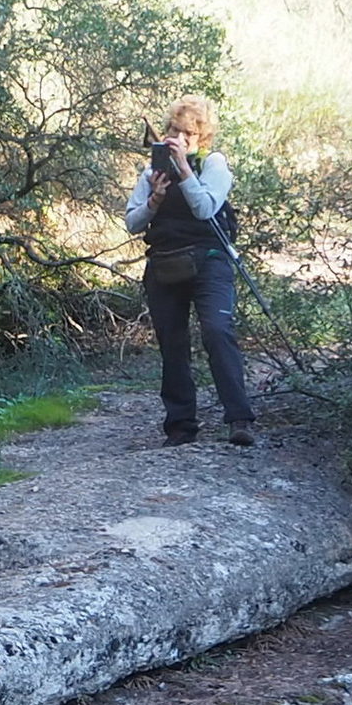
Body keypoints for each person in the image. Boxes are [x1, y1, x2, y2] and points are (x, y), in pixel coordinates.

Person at [124, 95, 257, 448]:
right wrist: (154, 200)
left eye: (188, 133)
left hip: (209, 260)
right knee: (172, 343)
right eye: (173, 130)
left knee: (217, 330)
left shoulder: (214, 164)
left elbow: (204, 208)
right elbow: (132, 223)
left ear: (202, 137)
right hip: (165, 263)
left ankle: (240, 419)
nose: (178, 138)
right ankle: (180, 427)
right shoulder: (151, 172)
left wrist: (184, 171)